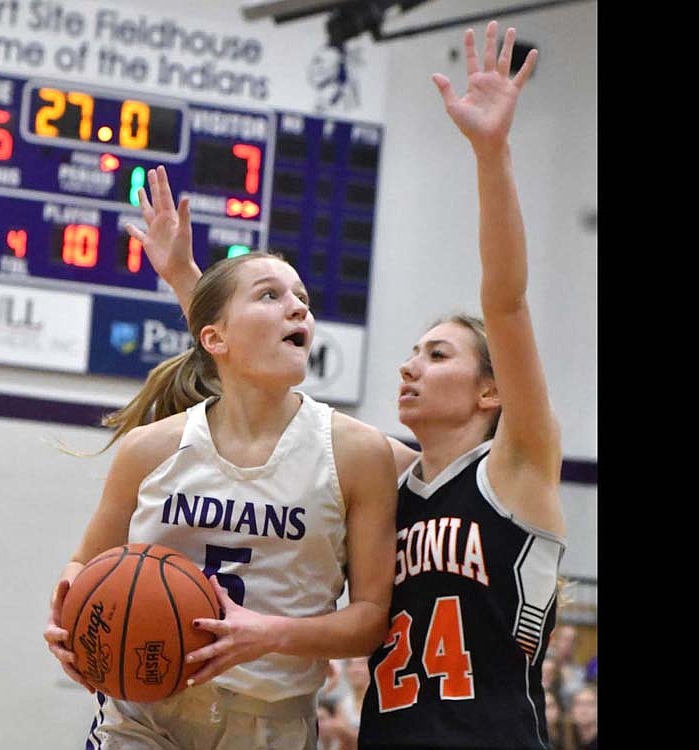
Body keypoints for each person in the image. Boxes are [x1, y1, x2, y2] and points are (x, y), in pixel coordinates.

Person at [139, 19, 569, 750]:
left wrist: (491, 152)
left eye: (437, 355)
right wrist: (187, 283)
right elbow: (270, 391)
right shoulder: (391, 476)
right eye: (412, 352)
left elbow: (505, 301)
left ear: (490, 392)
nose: (410, 367)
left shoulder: (521, 469)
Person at [43, 245, 399, 748]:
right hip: (143, 711)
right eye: (270, 295)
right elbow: (85, 564)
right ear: (214, 337)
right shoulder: (151, 449)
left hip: (269, 720)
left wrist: (268, 634)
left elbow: (368, 619)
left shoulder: (357, 451)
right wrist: (69, 618)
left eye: (302, 298)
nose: (298, 308)